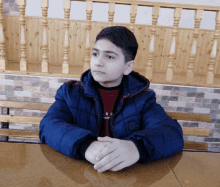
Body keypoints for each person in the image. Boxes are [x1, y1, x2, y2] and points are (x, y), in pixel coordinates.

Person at [39, 26, 184, 173]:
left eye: (109, 56)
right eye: (95, 54)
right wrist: (85, 145)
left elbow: (172, 133)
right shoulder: (70, 93)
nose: (98, 62)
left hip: (126, 179)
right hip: (80, 176)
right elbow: (48, 125)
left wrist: (136, 147)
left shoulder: (143, 98)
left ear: (128, 67)